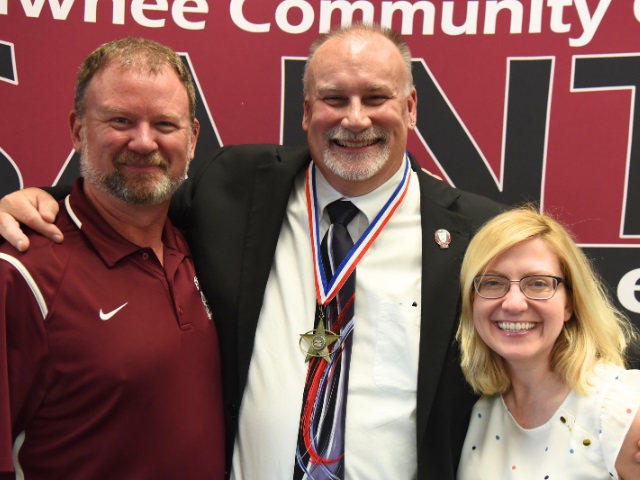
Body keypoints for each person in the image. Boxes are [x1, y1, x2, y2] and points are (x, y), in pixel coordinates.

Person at [0, 24, 508, 478]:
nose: (355, 119)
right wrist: (45, 200)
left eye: (376, 97)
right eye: (333, 98)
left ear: (412, 107)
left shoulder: (476, 235)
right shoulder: (235, 189)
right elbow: (129, 191)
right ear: (307, 111)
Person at [0, 38, 225, 479]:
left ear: (193, 138)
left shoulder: (202, 245)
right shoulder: (22, 273)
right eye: (120, 120)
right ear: (79, 129)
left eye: (165, 124)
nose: (144, 143)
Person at [455, 206, 640, 479]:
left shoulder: (618, 408)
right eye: (493, 283)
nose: (514, 303)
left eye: (538, 283)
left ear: (570, 303)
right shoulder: (477, 408)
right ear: (472, 301)